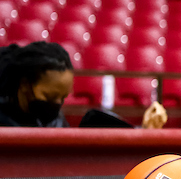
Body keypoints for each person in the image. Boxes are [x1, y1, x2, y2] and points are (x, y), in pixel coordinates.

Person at [0, 41, 168, 129]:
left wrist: (143, 130)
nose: (57, 104)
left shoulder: (54, 121)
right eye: (49, 97)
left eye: (63, 98)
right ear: (24, 85)